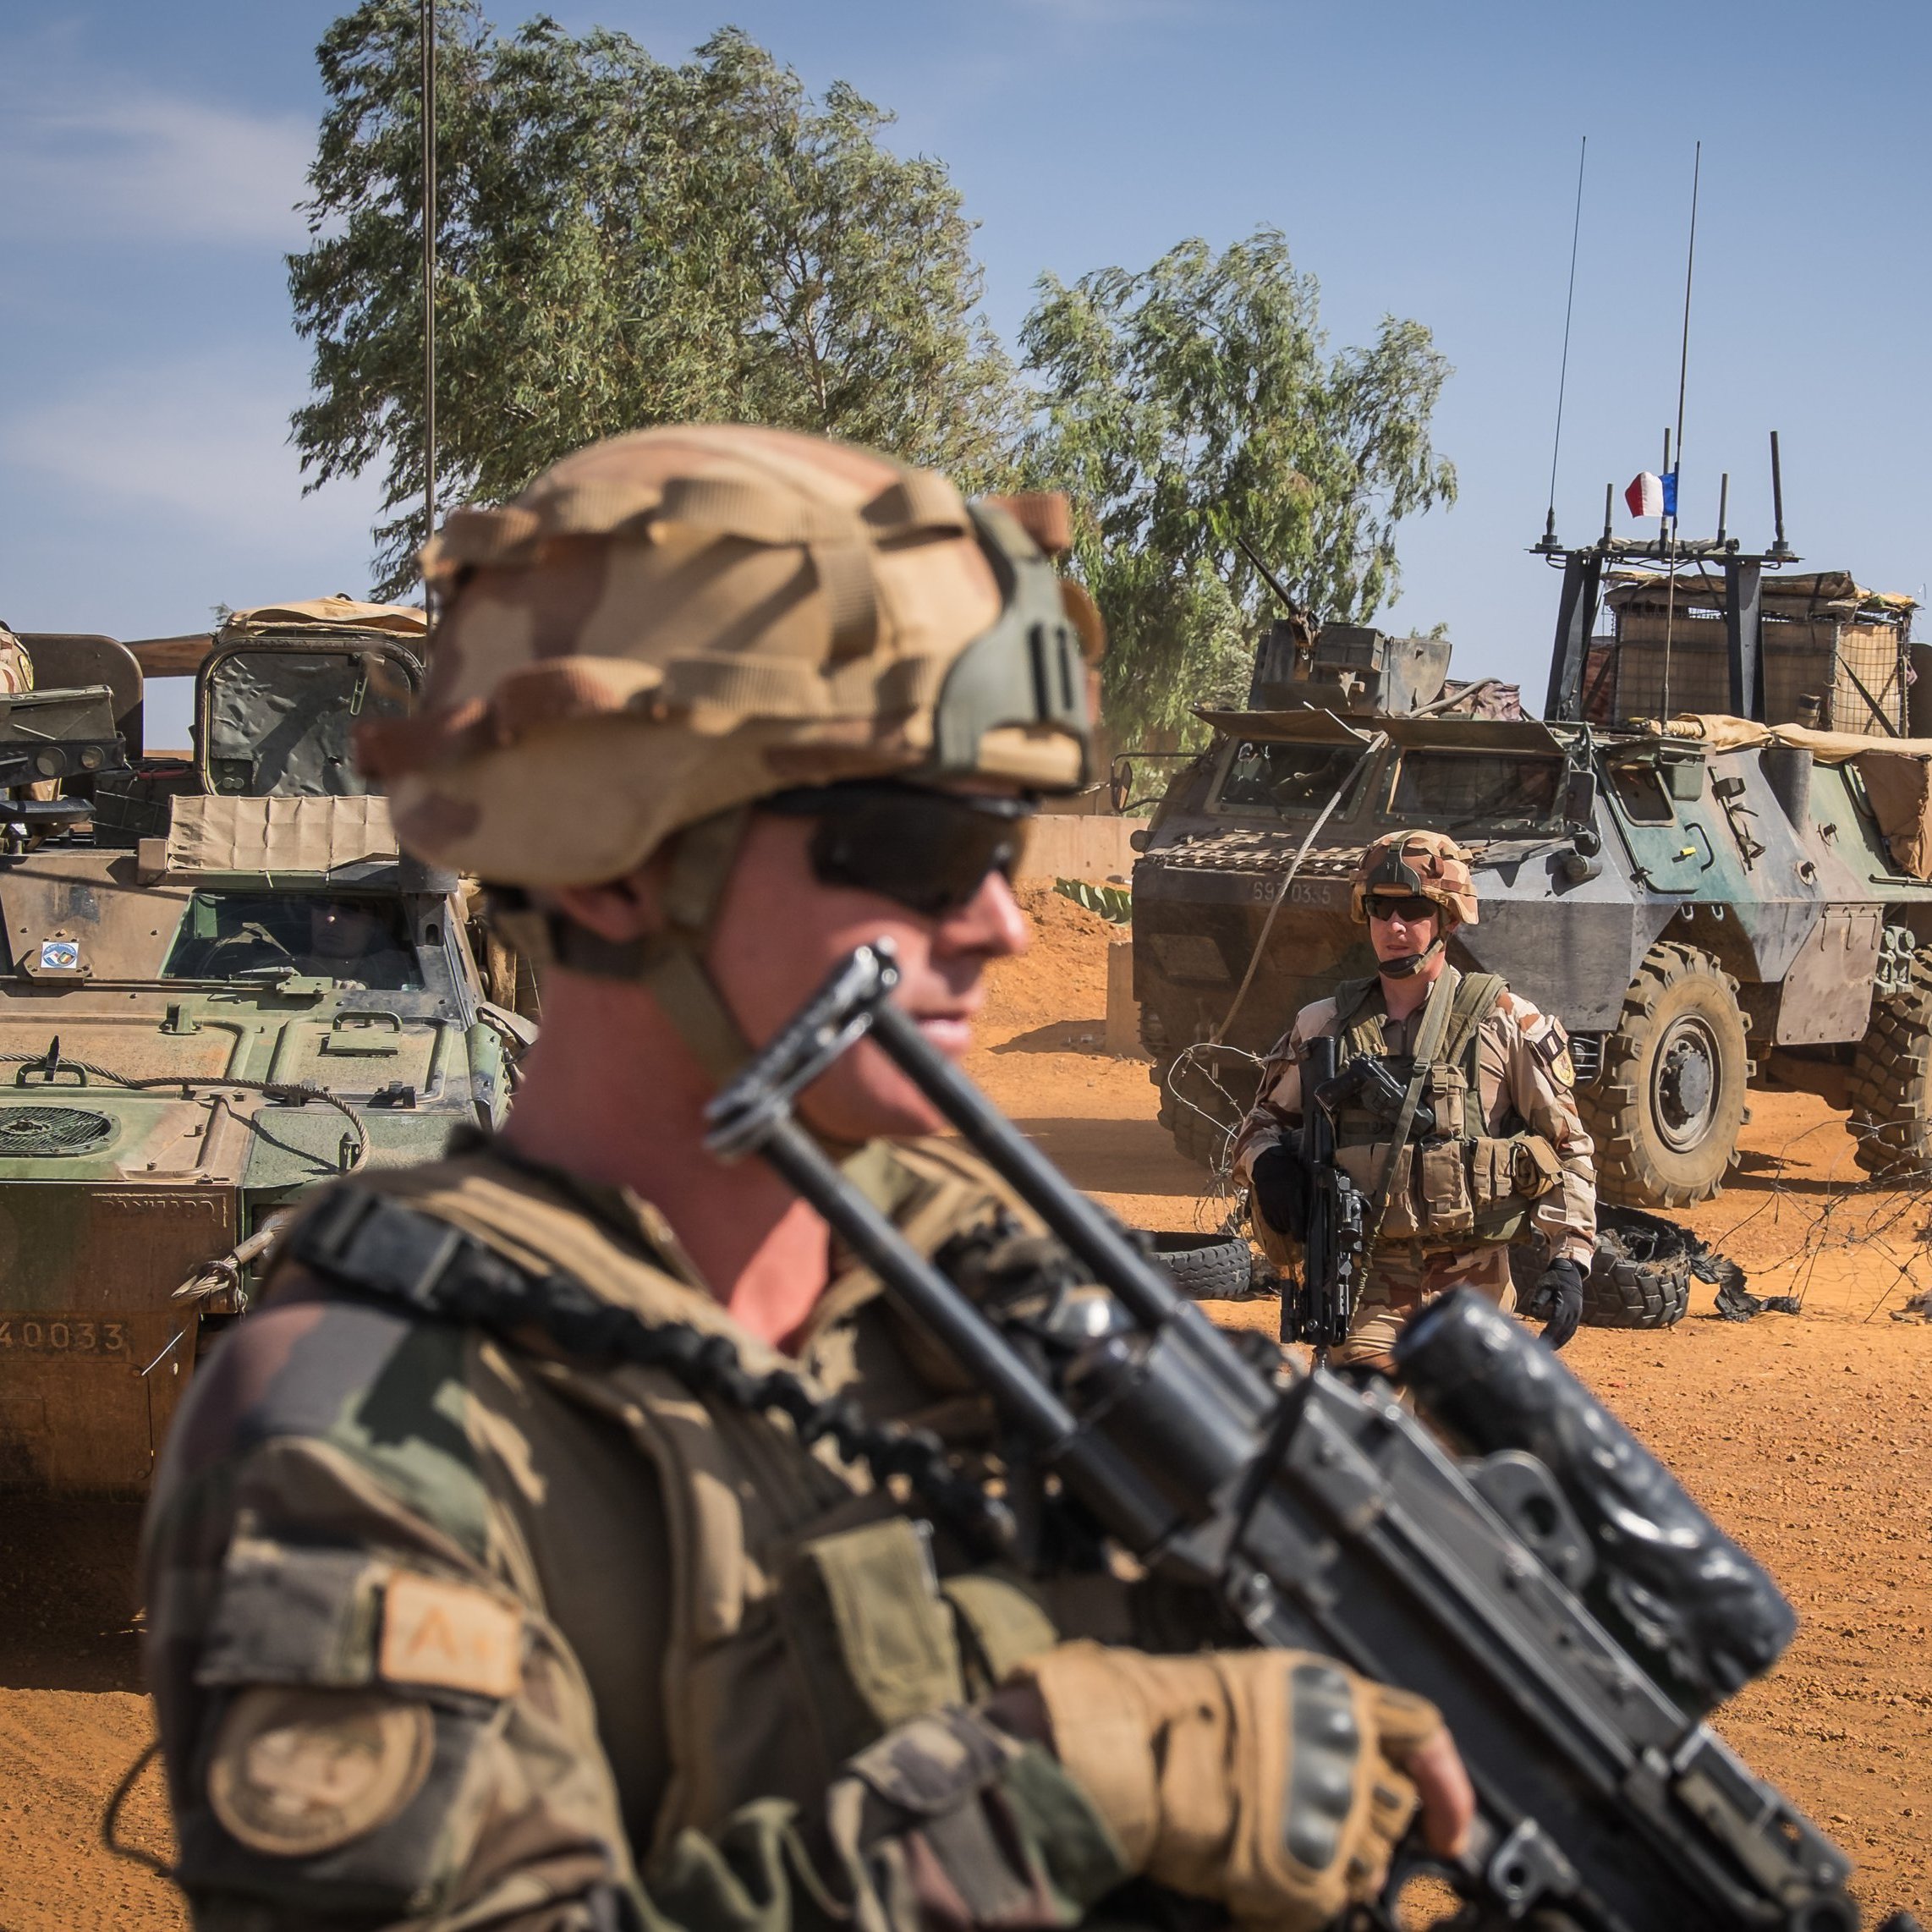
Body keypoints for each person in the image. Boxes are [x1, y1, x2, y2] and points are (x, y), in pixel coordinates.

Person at [141, 425, 1472, 1932]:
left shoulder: (977, 1277)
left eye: (1008, 842)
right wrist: (1062, 1787)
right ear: (610, 851)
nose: (1001, 923)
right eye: (914, 842)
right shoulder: (362, 1431)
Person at [1233, 829, 1596, 1373]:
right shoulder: (1322, 1025)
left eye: (1414, 910)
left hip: (1471, 1286)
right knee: (1355, 1436)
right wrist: (1269, 1165)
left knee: (1467, 1446)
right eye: (1381, 909)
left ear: (1448, 919)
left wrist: (1570, 1258)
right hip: (1362, 1283)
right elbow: (1257, 1126)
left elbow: (1567, 1146)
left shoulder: (1505, 1021)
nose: (1395, 927)